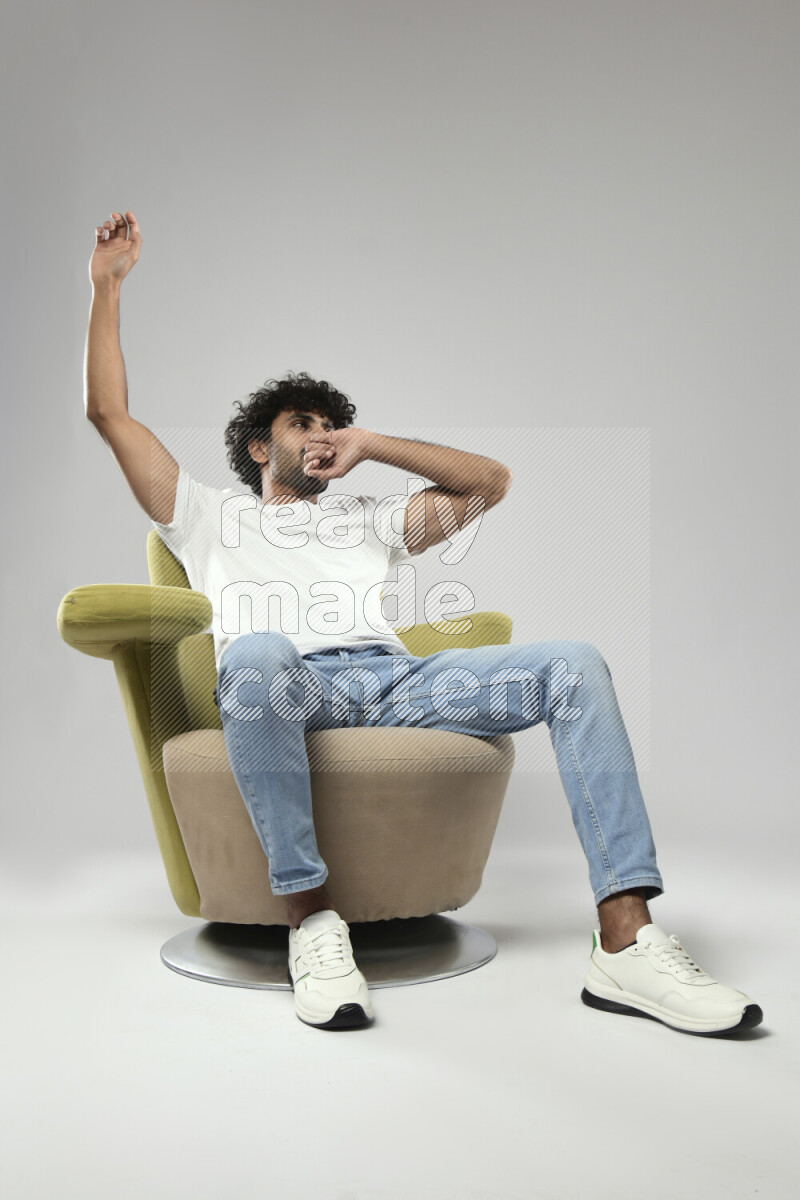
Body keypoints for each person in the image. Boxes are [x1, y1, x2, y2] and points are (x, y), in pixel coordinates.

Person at [84, 209, 764, 1036]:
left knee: (575, 663)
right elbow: (111, 416)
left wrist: (371, 443)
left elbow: (491, 483)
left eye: (329, 425)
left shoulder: (368, 519)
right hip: (286, 684)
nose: (321, 435)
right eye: (304, 424)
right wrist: (108, 288)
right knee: (258, 650)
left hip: (397, 682)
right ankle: (312, 924)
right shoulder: (203, 515)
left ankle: (627, 942)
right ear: (261, 448)